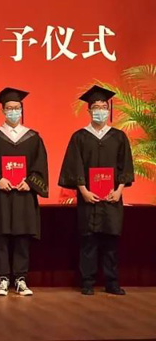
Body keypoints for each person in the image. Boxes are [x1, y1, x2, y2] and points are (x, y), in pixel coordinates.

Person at [58, 85, 134, 295]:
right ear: (89, 110)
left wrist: (119, 190)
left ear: (108, 110)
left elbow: (125, 166)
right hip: (88, 197)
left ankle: (112, 282)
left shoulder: (118, 137)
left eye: (103, 107)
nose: (100, 111)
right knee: (88, 241)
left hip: (112, 198)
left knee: (111, 241)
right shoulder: (80, 137)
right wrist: (83, 191)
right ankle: (87, 282)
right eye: (96, 107)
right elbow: (75, 165)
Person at [0, 87, 48, 297]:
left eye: (17, 108)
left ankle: (21, 279)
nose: (13, 112)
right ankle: (3, 278)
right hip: (1, 195)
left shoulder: (33, 138)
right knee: (1, 236)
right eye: (9, 108)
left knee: (22, 237)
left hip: (24, 195)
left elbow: (40, 165)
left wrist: (31, 182)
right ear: (2, 111)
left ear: (22, 109)